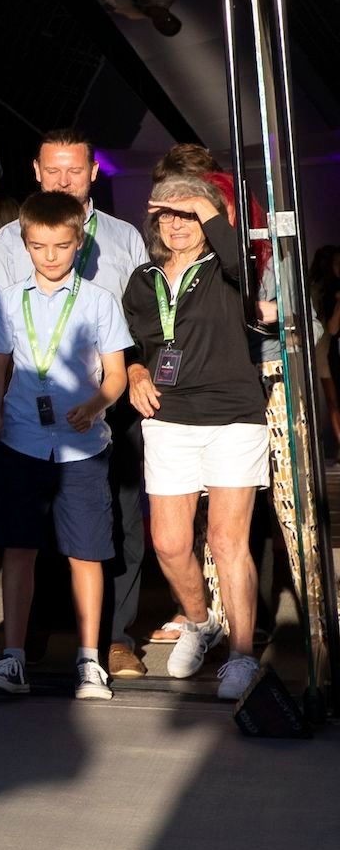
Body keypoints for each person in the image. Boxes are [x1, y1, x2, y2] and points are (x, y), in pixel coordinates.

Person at [0, 129, 152, 680]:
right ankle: (25, 645)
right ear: (36, 170)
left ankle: (107, 644)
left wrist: (113, 389)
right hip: (28, 418)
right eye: (53, 171)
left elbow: (140, 322)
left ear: (93, 172)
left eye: (74, 170)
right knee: (27, 538)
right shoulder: (7, 243)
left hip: (100, 411)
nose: (63, 180)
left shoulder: (122, 240)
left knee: (110, 528)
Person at [123, 174, 268, 703]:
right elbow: (133, 343)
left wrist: (205, 206)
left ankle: (242, 655)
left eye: (188, 214)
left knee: (228, 540)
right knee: (169, 542)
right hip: (168, 419)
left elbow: (236, 255)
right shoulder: (142, 279)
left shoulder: (230, 270)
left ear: (209, 217)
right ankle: (201, 621)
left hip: (232, 416)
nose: (176, 224)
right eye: (167, 214)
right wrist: (137, 372)